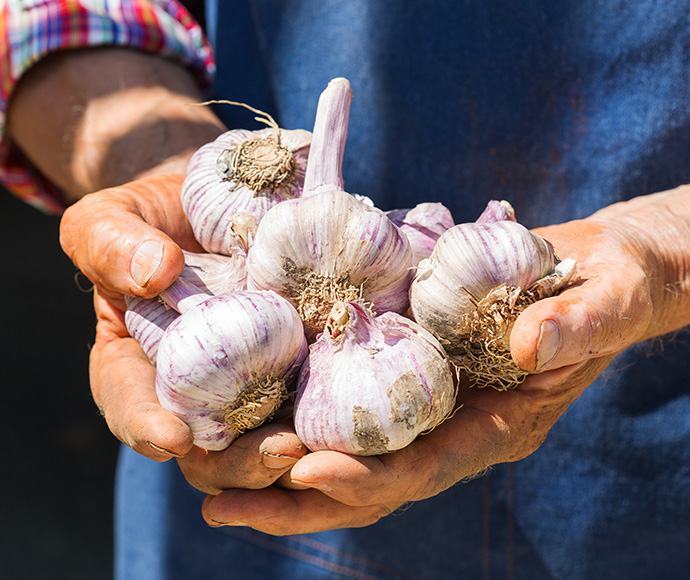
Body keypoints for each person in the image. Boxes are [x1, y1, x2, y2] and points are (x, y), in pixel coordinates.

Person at [3, 1, 690, 578]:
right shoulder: (308, 250)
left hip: (635, 477)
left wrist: (664, 252)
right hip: (235, 502)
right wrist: (151, 159)